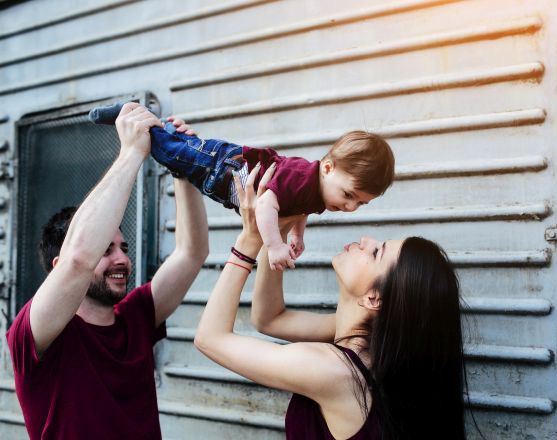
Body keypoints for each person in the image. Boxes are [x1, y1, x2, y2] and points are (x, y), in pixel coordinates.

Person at [194, 165, 468, 439]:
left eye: (376, 253)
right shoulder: (371, 350)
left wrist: (249, 238)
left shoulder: (334, 371)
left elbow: (210, 338)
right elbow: (269, 319)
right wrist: (274, 235)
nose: (365, 240)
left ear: (374, 298)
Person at [5, 103, 209, 440]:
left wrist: (182, 170)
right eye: (106, 250)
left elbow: (192, 252)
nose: (121, 260)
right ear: (57, 269)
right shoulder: (35, 332)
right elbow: (77, 260)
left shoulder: (137, 315)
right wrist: (131, 152)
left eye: (123, 249)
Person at [88, 102, 396, 271]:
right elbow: (266, 204)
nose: (350, 207)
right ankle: (131, 113)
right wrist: (274, 245)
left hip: (220, 179)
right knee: (167, 150)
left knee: (176, 152)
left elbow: (300, 208)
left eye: (361, 204)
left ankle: (161, 125)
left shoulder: (318, 192)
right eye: (349, 195)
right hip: (223, 165)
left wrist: (298, 235)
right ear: (327, 168)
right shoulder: (303, 177)